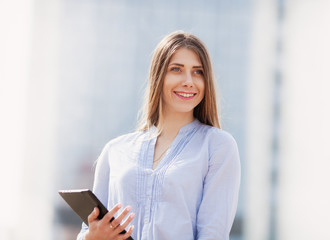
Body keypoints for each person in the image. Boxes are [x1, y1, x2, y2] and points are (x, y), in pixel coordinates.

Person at [77, 31, 241, 240]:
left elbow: (213, 234)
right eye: (177, 69)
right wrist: (93, 237)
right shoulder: (115, 151)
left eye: (198, 72)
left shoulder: (218, 147)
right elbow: (86, 232)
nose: (189, 81)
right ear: (158, 75)